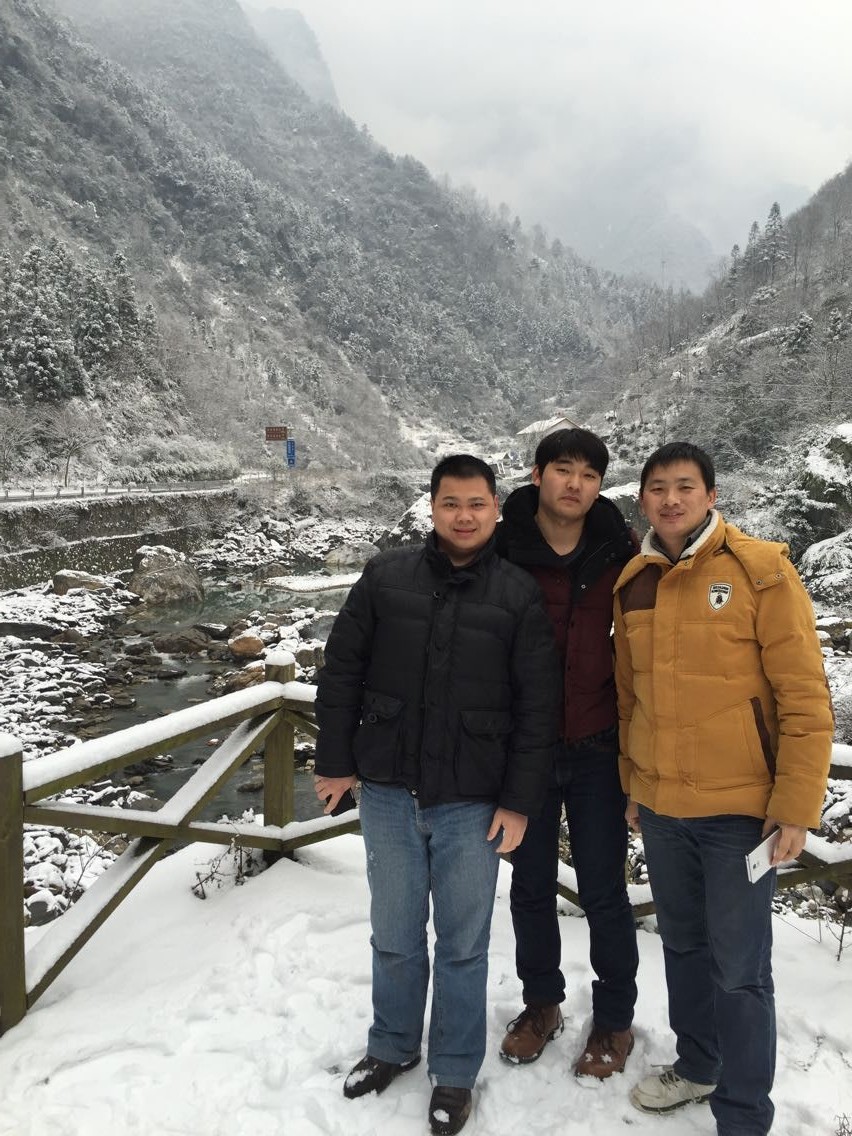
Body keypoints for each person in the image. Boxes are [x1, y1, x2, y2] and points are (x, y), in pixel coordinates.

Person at [313, 454, 560, 1136]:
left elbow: (538, 707)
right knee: (394, 935)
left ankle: (454, 1071)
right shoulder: (385, 577)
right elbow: (342, 671)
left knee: (462, 945)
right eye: (451, 503)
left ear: (496, 508)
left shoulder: (516, 594)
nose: (464, 515)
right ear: (433, 507)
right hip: (389, 791)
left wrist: (518, 802)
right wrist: (335, 762)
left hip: (473, 800)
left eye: (477, 503)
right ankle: (392, 1045)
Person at [614, 441, 833, 1136]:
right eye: (657, 488)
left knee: (740, 971)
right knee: (683, 947)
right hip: (663, 809)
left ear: (711, 495)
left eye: (685, 486)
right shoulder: (634, 581)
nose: (671, 499)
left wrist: (794, 807)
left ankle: (743, 1114)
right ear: (643, 500)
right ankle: (698, 1065)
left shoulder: (761, 570)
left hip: (741, 813)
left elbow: (804, 697)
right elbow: (630, 699)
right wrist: (634, 785)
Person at [495, 427, 640, 1076]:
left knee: (605, 891)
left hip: (596, 745)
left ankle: (613, 1020)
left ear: (600, 485)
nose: (574, 483)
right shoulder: (502, 547)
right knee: (529, 887)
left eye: (588, 473)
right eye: (563, 469)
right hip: (523, 749)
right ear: (537, 475)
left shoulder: (619, 549)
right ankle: (541, 1005)